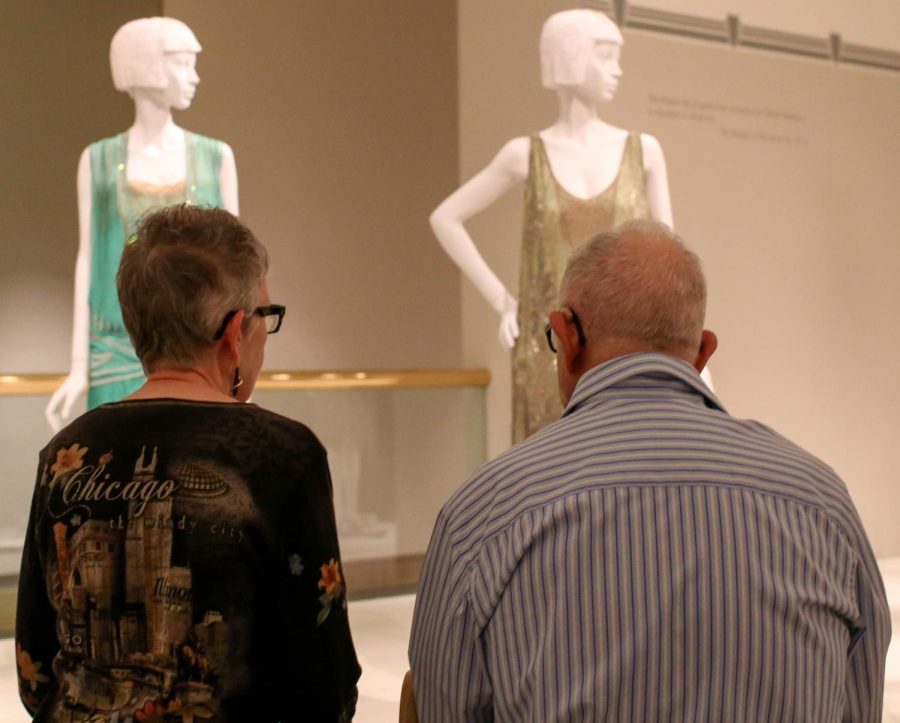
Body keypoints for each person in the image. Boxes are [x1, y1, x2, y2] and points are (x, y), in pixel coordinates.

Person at [407, 220, 890, 721]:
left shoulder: (483, 513)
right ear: (703, 352)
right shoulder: (820, 500)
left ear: (567, 337)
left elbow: (445, 703)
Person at [18, 205, 360, 721]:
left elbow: (36, 668)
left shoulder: (67, 454)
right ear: (233, 332)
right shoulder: (283, 455)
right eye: (266, 317)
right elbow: (323, 679)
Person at [430, 9, 677, 443]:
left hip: (630, 347)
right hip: (547, 349)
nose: (616, 70)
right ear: (570, 56)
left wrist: (690, 353)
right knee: (547, 478)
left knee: (629, 469)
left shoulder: (644, 153)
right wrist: (504, 302)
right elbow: (446, 218)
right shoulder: (524, 155)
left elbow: (672, 264)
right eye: (605, 56)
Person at [45, 17, 239, 431]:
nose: (195, 76)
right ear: (148, 67)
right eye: (183, 64)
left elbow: (241, 268)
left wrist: (241, 357)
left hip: (202, 352)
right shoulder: (97, 162)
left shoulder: (215, 158)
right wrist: (79, 366)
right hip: (114, 355)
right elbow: (89, 257)